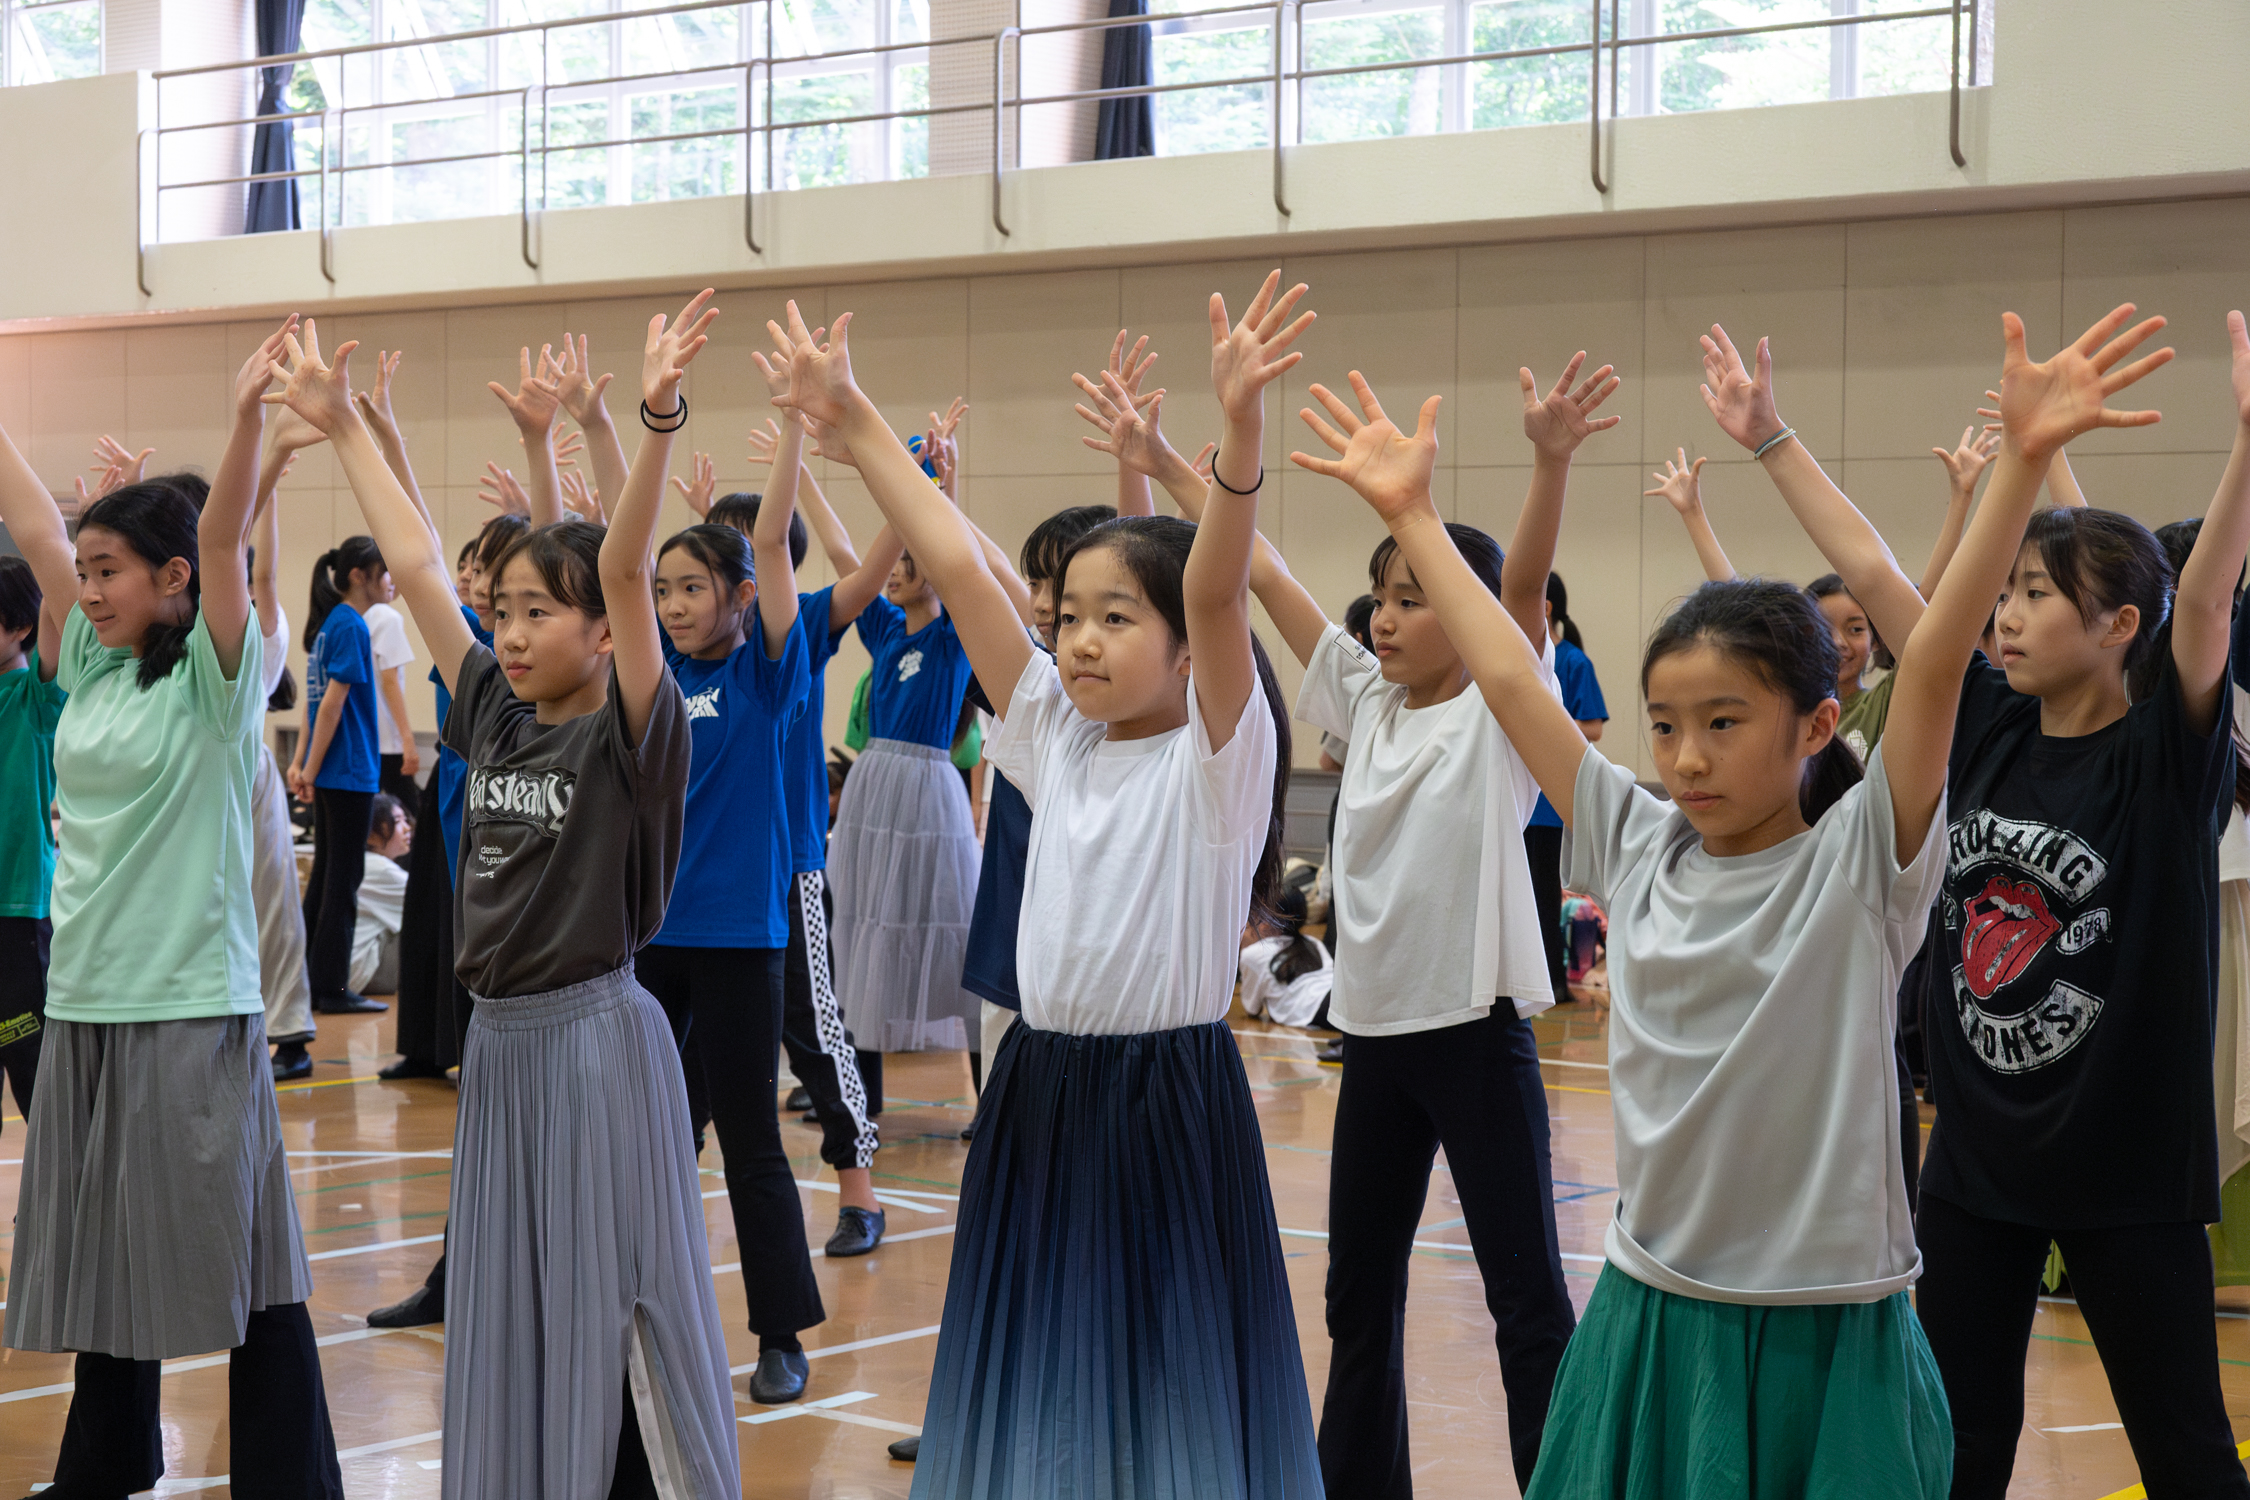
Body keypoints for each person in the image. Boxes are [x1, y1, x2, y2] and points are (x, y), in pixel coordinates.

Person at [774, 275, 1324, 1496]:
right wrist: (857, 419)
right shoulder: (1051, 734)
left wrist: (1235, 437)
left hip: (1165, 1097)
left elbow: (1223, 588)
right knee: (1039, 1366)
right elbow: (961, 573)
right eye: (1069, 615)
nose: (1077, 639)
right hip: (1041, 1084)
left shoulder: (1218, 762)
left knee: (1165, 1374)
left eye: (1115, 617)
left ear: (1184, 643)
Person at [1702, 304, 2250, 1499]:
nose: (2003, 611)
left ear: (2118, 629)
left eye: (2037, 595)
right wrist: (1768, 436)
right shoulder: (1986, 723)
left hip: (2130, 1170)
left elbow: (2203, 606)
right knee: (1956, 1450)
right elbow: (1875, 577)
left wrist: (2247, 444)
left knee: (2189, 1454)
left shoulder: (2169, 761)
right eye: (2005, 591)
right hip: (1977, 1165)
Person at [268, 296, 741, 1498]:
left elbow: (631, 565)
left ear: (602, 628)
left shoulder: (639, 734)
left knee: (609, 1296)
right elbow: (421, 564)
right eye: (507, 612)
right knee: (519, 1303)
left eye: (543, 613)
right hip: (505, 1047)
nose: (513, 633)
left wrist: (652, 417)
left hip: (594, 1040)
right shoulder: (493, 712)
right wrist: (341, 431)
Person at [1, 317, 347, 1498]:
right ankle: (105, 1464)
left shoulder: (215, 683)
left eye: (111, 572)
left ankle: (291, 1481)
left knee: (240, 1264)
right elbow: (40, 524)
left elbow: (230, 542)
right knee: (107, 1257)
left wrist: (247, 421)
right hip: (87, 1000)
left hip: (192, 1002)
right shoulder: (89, 666)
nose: (87, 588)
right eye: (84, 573)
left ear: (176, 580)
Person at [636, 332, 828, 1407]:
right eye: (662, 590)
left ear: (738, 594)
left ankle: (779, 1334)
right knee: (656, 1138)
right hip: (652, 943)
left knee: (751, 1140)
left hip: (743, 940)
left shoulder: (766, 671)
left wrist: (797, 423)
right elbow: (612, 568)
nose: (670, 605)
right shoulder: (655, 676)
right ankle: (640, 1314)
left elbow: (777, 551)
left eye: (691, 588)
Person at [707, 452, 912, 1257]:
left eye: (746, 550)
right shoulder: (684, 648)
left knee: (815, 1030)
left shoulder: (798, 629)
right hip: (705, 879)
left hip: (789, 864)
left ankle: (859, 1192)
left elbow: (868, 574)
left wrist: (915, 487)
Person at [250, 416, 324, 1078]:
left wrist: (266, 485)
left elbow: (265, 574)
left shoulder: (258, 646)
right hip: (189, 784)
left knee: (271, 904)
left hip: (244, 780)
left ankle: (291, 1032)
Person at [291, 535, 391, 1016]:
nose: (390, 581)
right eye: (384, 571)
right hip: (348, 769)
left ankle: (311, 980)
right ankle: (330, 987)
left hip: (332, 769)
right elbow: (330, 705)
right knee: (342, 880)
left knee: (328, 877)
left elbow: (314, 704)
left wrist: (303, 763)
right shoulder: (350, 624)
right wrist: (308, 765)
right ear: (359, 575)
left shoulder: (331, 624)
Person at [0, 554, 64, 1135]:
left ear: (19, 626)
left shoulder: (33, 699)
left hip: (18, 916)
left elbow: (56, 606)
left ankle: (62, 1215)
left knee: (34, 1073)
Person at [1527, 570, 1609, 1002]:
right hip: (1517, 800)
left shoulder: (1574, 662)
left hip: (1549, 803)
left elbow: (1593, 726)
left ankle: (1552, 982)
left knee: (1543, 895)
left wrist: (1543, 724)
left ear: (1546, 609)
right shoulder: (1519, 659)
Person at [1237, 885, 1334, 1030]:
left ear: (1269, 920)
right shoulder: (1314, 943)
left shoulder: (1253, 954)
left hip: (1323, 1008)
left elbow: (1252, 1009)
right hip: (1335, 1000)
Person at [349, 791, 412, 996]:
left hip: (350, 970)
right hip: (365, 971)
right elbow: (428, 903)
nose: (407, 828)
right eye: (397, 821)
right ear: (372, 833)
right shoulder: (379, 868)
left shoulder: (362, 861)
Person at [368, 587, 421, 805]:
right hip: (386, 740)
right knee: (406, 818)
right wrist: (407, 739)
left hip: (362, 737)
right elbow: (390, 680)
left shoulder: (347, 617)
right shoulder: (386, 618)